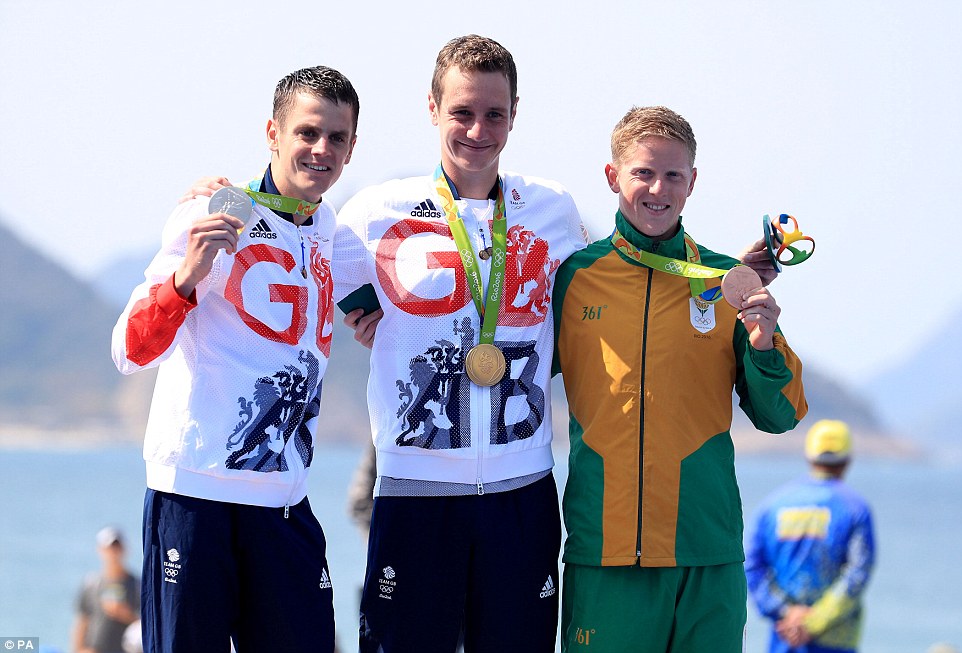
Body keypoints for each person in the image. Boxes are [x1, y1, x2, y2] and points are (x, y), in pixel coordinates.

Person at [111, 66, 359, 653]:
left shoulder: (334, 232)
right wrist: (185, 279)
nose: (321, 149)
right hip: (195, 499)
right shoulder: (210, 216)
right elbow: (127, 351)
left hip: (283, 503)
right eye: (307, 132)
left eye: (337, 138)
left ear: (352, 148)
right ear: (272, 132)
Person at [551, 105, 808, 653]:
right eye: (642, 172)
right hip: (606, 553)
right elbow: (508, 369)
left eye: (672, 175)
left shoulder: (724, 280)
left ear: (693, 182)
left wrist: (764, 344)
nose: (657, 188)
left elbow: (781, 413)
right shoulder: (573, 279)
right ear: (612, 176)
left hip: (706, 553)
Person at [746, 419, 876, 653]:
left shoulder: (772, 506)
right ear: (847, 461)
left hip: (784, 638)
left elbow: (752, 566)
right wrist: (813, 621)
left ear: (809, 456)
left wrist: (785, 611)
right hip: (836, 641)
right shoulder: (855, 508)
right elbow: (858, 573)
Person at [72, 527, 140, 653]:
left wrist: (127, 615)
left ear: (125, 550)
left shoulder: (137, 586)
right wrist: (80, 650)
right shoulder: (91, 583)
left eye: (117, 547)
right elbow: (82, 622)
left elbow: (148, 627)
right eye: (109, 548)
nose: (113, 552)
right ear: (100, 550)